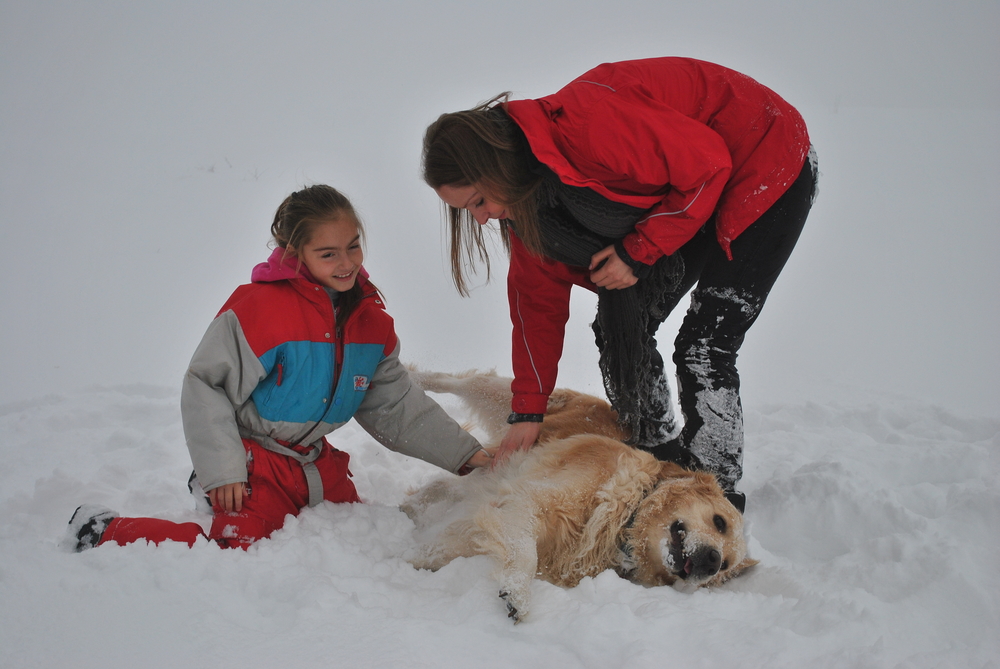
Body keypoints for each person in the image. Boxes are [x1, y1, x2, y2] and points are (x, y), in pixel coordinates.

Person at [423, 57, 818, 511]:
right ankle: (660, 450)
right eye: (466, 211)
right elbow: (536, 309)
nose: (481, 216)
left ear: (496, 164)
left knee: (704, 346)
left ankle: (717, 499)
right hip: (692, 193)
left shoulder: (590, 126)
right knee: (620, 330)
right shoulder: (529, 215)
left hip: (764, 159)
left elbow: (709, 165)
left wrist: (637, 252)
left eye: (477, 200)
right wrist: (527, 413)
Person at [64, 185, 491, 551]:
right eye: (328, 253)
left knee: (359, 530)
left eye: (353, 245)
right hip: (252, 463)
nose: (346, 263)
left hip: (314, 462)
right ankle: (106, 530)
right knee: (236, 546)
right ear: (295, 253)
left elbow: (395, 403)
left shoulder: (370, 321)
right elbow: (205, 385)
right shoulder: (259, 310)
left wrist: (464, 454)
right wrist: (223, 469)